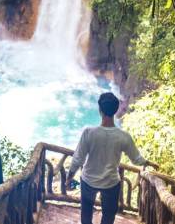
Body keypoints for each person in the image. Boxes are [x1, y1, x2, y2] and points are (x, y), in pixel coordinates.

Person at [65, 92, 159, 224]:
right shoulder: (123, 136)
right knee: (108, 217)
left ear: (100, 110)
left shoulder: (89, 133)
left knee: (86, 215)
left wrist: (69, 178)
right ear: (115, 111)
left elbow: (77, 159)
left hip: (88, 180)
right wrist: (148, 162)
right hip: (110, 182)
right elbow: (136, 159)